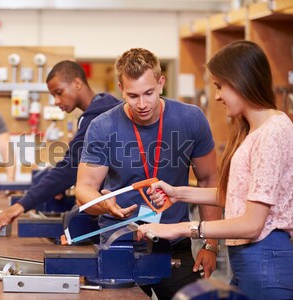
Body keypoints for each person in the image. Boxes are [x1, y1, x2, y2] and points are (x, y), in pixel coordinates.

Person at [136, 40, 293, 300]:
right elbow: (235, 196)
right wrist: (178, 193)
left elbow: (253, 224)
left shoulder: (272, 132)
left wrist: (181, 228)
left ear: (242, 80)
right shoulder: (253, 131)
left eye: (221, 86)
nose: (218, 96)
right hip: (250, 260)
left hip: (265, 259)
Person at [75, 48, 222, 299]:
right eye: (132, 96)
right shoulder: (103, 126)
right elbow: (84, 188)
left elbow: (209, 180)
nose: (142, 104)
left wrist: (211, 245)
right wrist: (103, 204)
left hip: (175, 245)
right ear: (120, 88)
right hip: (119, 246)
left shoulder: (191, 119)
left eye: (148, 93)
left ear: (161, 83)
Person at [0, 60, 121, 231]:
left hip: (118, 210)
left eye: (59, 93)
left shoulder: (96, 118)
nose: (56, 101)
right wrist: (62, 183)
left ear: (77, 83)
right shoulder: (101, 110)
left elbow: (69, 167)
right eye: (53, 95)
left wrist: (22, 205)